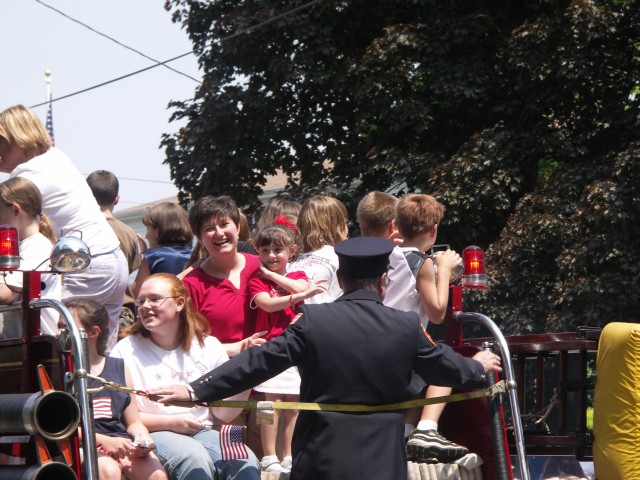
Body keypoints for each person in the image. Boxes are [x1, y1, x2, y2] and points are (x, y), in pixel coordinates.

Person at [152, 237, 502, 480]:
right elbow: (446, 368)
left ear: (340, 279)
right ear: (383, 281)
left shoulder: (314, 322)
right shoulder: (405, 325)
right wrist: (480, 367)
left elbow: (258, 361)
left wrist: (196, 391)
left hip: (321, 456)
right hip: (382, 461)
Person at [0, 104, 128, 353]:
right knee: (100, 353)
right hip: (112, 259)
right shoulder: (57, 158)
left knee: (65, 351)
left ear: (18, 139)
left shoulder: (28, 176)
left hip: (83, 266)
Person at [110, 273, 261, 480]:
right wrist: (171, 423)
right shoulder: (125, 350)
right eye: (141, 301)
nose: (144, 306)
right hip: (153, 432)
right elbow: (125, 416)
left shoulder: (209, 346)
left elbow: (223, 414)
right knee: (193, 459)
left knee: (246, 461)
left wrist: (247, 376)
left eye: (154, 299)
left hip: (204, 430)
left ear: (180, 303)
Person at [390, 193, 467, 464]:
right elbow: (436, 313)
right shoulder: (421, 262)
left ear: (396, 226)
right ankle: (426, 429)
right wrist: (443, 270)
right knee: (444, 359)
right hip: (402, 350)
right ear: (434, 230)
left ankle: (405, 431)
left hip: (379, 345)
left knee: (423, 374)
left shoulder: (387, 256)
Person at [249, 220, 326, 473]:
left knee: (293, 402)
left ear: (291, 251)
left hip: (296, 348)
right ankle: (268, 455)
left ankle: (289, 454)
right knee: (268, 403)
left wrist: (277, 279)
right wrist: (300, 296)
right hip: (270, 346)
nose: (271, 256)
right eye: (265, 250)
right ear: (257, 251)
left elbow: (301, 285)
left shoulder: (296, 274)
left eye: (278, 250)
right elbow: (268, 304)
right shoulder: (256, 280)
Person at [63, 298, 166, 480]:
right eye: (59, 327)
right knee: (108, 471)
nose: (60, 334)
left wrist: (142, 439)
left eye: (67, 328)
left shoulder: (118, 367)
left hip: (119, 440)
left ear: (93, 333)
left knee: (156, 474)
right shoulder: (59, 372)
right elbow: (61, 425)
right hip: (81, 443)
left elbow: (133, 422)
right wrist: (103, 441)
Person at [181, 196, 266, 357]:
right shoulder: (191, 285)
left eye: (224, 224)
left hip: (275, 369)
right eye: (209, 228)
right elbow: (187, 343)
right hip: (225, 371)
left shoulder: (264, 267)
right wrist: (232, 348)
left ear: (238, 228)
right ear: (200, 238)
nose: (219, 233)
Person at [0, 176, 61, 337]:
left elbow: (5, 293)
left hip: (37, 347)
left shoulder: (38, 247)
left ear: (15, 210)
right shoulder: (22, 246)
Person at [86, 170, 141, 333]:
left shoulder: (77, 231)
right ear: (116, 199)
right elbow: (129, 271)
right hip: (121, 312)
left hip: (84, 312)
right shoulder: (128, 233)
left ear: (87, 196)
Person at [288, 195, 348, 304]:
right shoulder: (340, 258)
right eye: (345, 222)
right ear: (339, 226)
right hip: (323, 318)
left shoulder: (289, 257)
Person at [132, 202, 193, 297]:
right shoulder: (197, 255)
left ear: (159, 230)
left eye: (148, 229)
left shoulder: (153, 257)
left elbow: (137, 294)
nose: (146, 236)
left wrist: (145, 258)